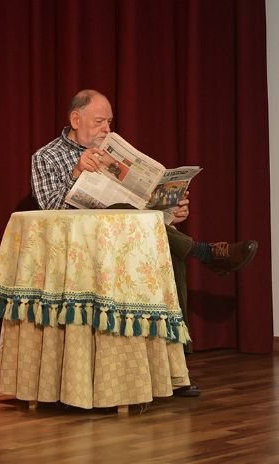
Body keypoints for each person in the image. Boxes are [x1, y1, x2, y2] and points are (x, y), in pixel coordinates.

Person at [31, 89, 258, 397]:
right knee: (127, 217)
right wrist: (75, 174)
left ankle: (176, 370)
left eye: (109, 122)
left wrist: (169, 212)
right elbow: (48, 213)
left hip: (124, 241)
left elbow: (138, 204)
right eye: (99, 122)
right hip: (81, 248)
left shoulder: (111, 150)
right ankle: (205, 253)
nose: (106, 130)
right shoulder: (46, 157)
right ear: (75, 119)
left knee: (166, 252)